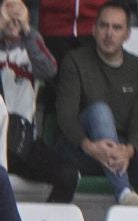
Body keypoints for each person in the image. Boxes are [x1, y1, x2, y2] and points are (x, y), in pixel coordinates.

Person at [53, 1, 138, 208]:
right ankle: (123, 190)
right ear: (93, 29)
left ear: (127, 34)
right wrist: (90, 147)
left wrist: (129, 151)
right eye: (103, 26)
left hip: (122, 152)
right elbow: (65, 115)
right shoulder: (75, 60)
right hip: (81, 149)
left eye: (116, 28)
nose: (109, 33)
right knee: (100, 111)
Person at [1, 0, 79, 204]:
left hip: (23, 140)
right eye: (6, 12)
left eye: (17, 12)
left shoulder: (31, 45)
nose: (12, 19)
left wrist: (27, 32)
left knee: (68, 174)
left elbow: (50, 70)